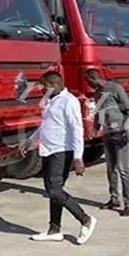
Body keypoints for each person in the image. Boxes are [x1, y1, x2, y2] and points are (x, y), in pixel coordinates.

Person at [21, 71, 97, 245]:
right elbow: (46, 125)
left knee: (55, 190)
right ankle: (54, 230)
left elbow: (77, 129)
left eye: (44, 86)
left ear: (54, 85)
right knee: (52, 191)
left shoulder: (69, 101)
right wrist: (30, 141)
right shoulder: (51, 100)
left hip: (62, 152)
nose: (41, 90)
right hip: (49, 150)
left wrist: (78, 157)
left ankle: (85, 219)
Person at [84, 69, 129, 217]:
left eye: (88, 81)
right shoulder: (98, 93)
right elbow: (99, 113)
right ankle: (114, 198)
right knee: (110, 167)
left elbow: (128, 110)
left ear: (94, 78)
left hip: (121, 133)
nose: (88, 84)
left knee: (122, 169)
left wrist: (128, 130)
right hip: (108, 134)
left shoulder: (115, 88)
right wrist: (95, 129)